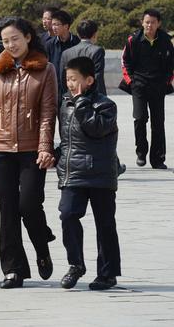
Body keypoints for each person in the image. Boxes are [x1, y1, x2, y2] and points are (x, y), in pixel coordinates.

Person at [0, 17, 57, 289]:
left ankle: (41, 245)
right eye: (5, 40)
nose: (10, 44)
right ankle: (13, 269)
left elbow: (48, 113)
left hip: (32, 149)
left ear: (28, 37)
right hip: (2, 149)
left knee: (29, 205)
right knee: (8, 210)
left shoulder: (46, 70)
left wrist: (46, 147)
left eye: (15, 38)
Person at [57, 57, 121, 291]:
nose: (70, 84)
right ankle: (76, 264)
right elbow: (68, 139)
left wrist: (82, 102)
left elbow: (95, 129)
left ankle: (108, 273)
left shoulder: (106, 105)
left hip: (100, 174)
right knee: (67, 215)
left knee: (105, 224)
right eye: (67, 79)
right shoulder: (65, 103)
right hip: (73, 172)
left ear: (90, 80)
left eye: (74, 79)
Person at [121, 9, 174, 169]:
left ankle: (158, 158)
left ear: (158, 24)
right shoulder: (133, 40)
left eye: (152, 22)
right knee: (140, 118)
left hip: (158, 86)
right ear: (142, 22)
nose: (149, 25)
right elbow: (125, 62)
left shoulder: (166, 40)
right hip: (139, 85)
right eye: (146, 22)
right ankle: (141, 151)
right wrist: (131, 81)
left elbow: (171, 65)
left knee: (158, 122)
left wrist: (166, 82)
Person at [61, 20, 107, 96]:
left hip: (72, 95)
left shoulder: (66, 53)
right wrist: (102, 97)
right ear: (95, 34)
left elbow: (62, 78)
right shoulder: (97, 51)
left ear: (78, 35)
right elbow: (98, 77)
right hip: (90, 96)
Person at [46, 9, 79, 101]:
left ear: (66, 26)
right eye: (52, 25)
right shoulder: (49, 45)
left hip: (73, 89)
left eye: (56, 24)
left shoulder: (77, 43)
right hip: (54, 90)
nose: (54, 28)